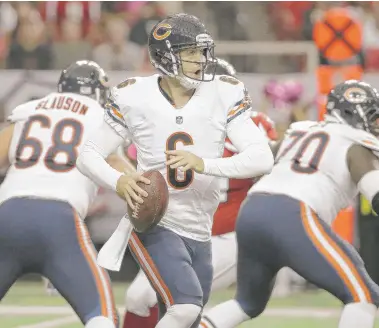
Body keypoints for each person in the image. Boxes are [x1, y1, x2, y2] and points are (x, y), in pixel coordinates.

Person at [76, 13, 274, 328]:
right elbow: (87, 154)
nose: (201, 59)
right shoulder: (134, 95)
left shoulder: (223, 92)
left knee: (190, 316)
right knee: (185, 307)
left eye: (202, 51)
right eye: (191, 52)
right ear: (166, 56)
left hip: (201, 229)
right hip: (156, 221)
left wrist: (204, 163)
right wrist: (120, 180)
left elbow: (262, 157)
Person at [201, 80, 379, 328]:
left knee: (246, 303)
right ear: (354, 114)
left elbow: (262, 162)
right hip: (294, 214)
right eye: (374, 117)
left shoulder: (299, 131)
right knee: (363, 295)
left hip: (252, 210)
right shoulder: (357, 145)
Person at [121, 58, 278, 328]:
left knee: (179, 305)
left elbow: (267, 164)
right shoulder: (172, 119)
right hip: (176, 230)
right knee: (138, 297)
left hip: (227, 236)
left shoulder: (247, 124)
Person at [0, 60, 119, 328]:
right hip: (59, 220)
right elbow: (119, 169)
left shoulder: (29, 110)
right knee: (102, 316)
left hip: (8, 214)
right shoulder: (101, 118)